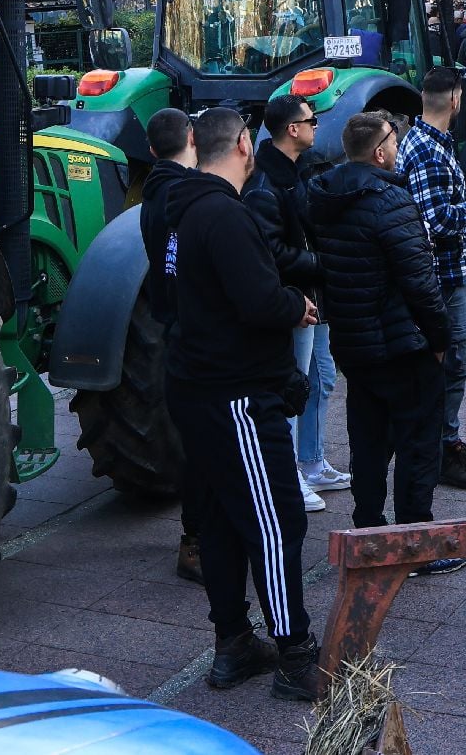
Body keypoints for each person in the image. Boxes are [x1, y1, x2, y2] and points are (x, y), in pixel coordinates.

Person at [160, 108, 324, 701]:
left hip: (196, 387)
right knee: (277, 521)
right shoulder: (224, 214)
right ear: (244, 144)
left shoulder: (180, 211)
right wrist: (295, 306)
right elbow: (257, 299)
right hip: (234, 396)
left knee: (223, 521)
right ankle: (295, 655)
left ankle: (233, 644)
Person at [309, 112, 462, 574]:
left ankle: (369, 534)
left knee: (369, 443)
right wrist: (440, 338)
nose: (398, 146)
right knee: (418, 444)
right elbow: (420, 281)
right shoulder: (391, 200)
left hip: (354, 344)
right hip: (402, 346)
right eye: (394, 139)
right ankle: (413, 544)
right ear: (380, 152)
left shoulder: (323, 195)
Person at [398, 68, 466, 490]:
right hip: (442, 277)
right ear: (457, 100)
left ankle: (446, 438)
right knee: (452, 365)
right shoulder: (428, 150)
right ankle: (442, 450)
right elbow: (437, 220)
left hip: (446, 273)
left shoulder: (429, 141)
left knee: (450, 364)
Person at [243, 96, 350, 514]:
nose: (316, 126)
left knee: (322, 378)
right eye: (311, 120)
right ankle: (287, 475)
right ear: (292, 129)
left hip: (314, 295)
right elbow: (271, 252)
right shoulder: (266, 185)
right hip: (296, 300)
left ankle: (312, 462)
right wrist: (323, 263)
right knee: (293, 386)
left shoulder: (300, 169)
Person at [139, 107, 205, 584]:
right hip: (191, 329)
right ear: (192, 138)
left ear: (150, 149)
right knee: (201, 445)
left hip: (170, 324)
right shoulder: (185, 196)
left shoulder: (152, 194)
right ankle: (196, 543)